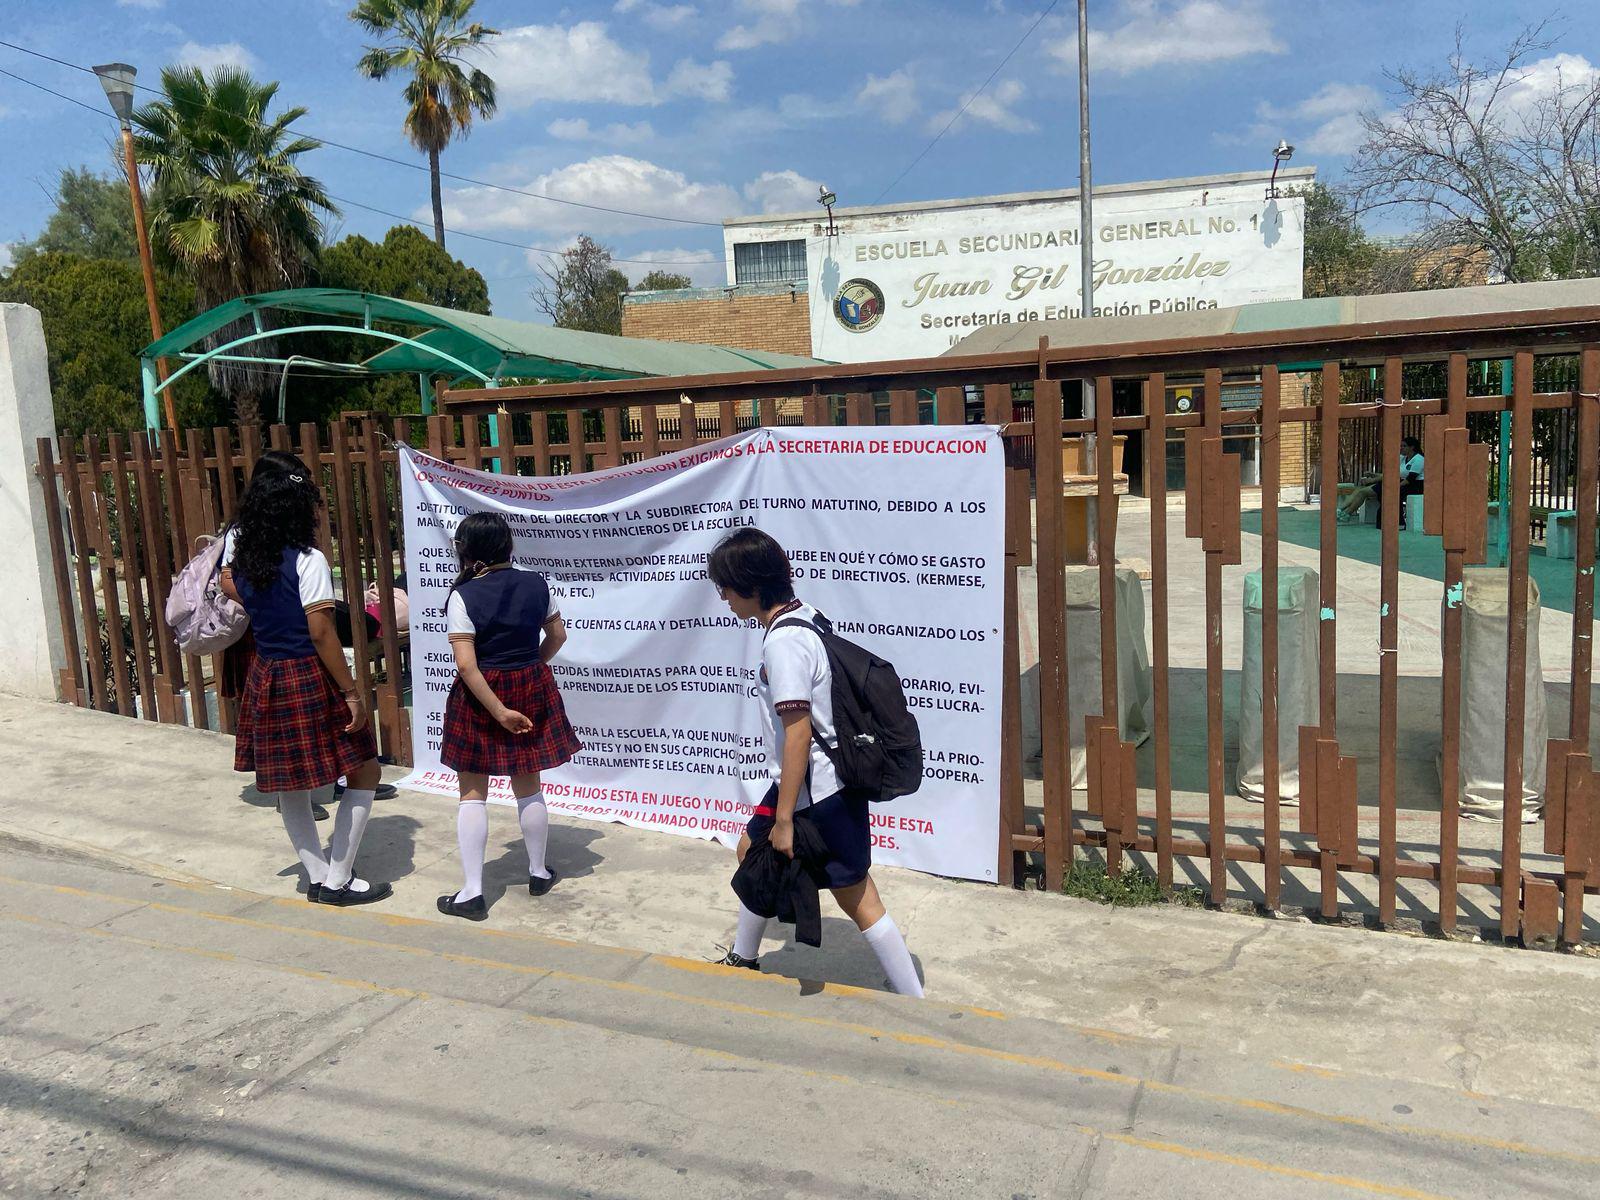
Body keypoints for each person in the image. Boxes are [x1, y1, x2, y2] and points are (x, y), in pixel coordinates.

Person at [707, 527, 924, 998]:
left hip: (818, 792)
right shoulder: (804, 616)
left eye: (725, 587)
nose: (723, 598)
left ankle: (914, 998)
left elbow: (799, 733)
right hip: (807, 783)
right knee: (751, 849)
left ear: (751, 586)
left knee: (857, 895)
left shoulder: (783, 643)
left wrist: (785, 818)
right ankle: (744, 956)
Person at [220, 452, 392, 906]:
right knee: (366, 769)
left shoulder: (245, 560)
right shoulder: (308, 560)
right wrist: (351, 692)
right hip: (307, 675)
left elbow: (233, 589)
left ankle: (318, 876)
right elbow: (321, 632)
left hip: (266, 673)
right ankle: (338, 879)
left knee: (290, 782)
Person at [435, 513, 581, 921]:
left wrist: (498, 710)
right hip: (529, 684)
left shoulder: (463, 595)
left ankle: (473, 892)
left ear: (466, 550)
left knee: (472, 793)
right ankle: (538, 872)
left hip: (481, 696)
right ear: (508, 546)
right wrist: (532, 667)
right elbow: (558, 636)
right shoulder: (537, 583)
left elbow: (467, 666)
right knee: (528, 784)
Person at [1339, 435, 1425, 529]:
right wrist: (1374, 475)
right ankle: (1343, 511)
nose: (1401, 448)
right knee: (1361, 490)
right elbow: (1391, 474)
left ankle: (1345, 513)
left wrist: (1394, 486)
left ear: (1412, 447)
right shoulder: (1402, 458)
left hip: (1414, 485)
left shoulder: (1419, 459)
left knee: (1369, 491)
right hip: (1399, 482)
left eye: (1404, 446)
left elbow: (1410, 479)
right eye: (1400, 446)